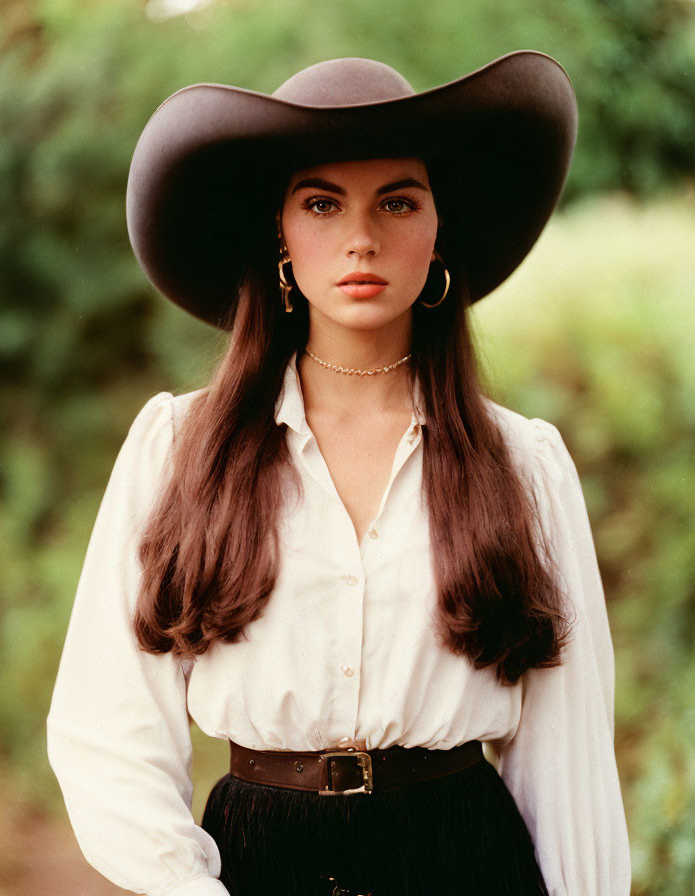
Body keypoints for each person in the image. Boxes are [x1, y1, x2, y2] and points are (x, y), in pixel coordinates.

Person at [47, 53, 631, 896]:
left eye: (398, 200)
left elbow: (568, 761)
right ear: (279, 233)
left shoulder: (524, 466)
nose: (362, 237)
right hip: (255, 862)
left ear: (440, 231)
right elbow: (108, 732)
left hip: (466, 861)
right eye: (322, 202)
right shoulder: (178, 449)